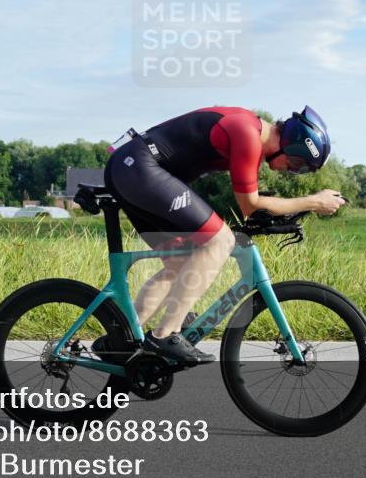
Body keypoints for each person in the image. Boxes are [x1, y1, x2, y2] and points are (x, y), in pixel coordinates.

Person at [95, 105, 346, 365]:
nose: (291, 171)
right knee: (221, 241)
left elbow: (252, 208)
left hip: (134, 169)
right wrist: (314, 202)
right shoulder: (248, 134)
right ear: (290, 145)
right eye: (297, 165)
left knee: (179, 264)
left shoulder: (251, 132)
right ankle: (165, 335)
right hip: (139, 168)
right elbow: (250, 205)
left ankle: (118, 339)